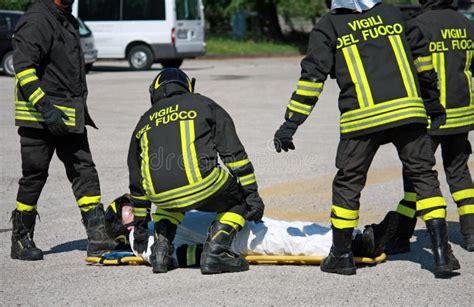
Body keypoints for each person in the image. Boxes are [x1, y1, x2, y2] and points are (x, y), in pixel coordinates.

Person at [273, 0, 459, 277]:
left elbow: (312, 78)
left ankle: (341, 255)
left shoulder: (328, 26)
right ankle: (442, 254)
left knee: (349, 181)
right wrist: (431, 100)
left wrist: (291, 123)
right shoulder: (392, 13)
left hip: (361, 118)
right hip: (408, 110)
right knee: (423, 175)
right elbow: (422, 57)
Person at [127, 68, 265, 274]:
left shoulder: (144, 120)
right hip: (204, 186)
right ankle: (216, 252)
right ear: (187, 87)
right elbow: (234, 155)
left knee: (170, 198)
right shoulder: (203, 104)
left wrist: (140, 229)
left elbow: (136, 181)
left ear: (154, 92)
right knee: (238, 201)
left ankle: (160, 252)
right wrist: (252, 195)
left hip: (160, 197)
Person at [10, 0, 116, 261]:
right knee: (35, 176)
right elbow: (24, 69)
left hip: (69, 116)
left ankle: (97, 235)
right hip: (39, 119)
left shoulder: (66, 18)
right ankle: (21, 239)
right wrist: (45, 108)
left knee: (84, 170)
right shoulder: (37, 19)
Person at [387, 0, 474, 254]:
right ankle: (470, 233)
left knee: (417, 174)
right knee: (459, 171)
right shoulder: (467, 26)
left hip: (429, 115)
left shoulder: (417, 26)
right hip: (462, 113)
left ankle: (403, 234)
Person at [104, 194, 400, 265]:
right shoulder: (138, 240)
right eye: (127, 208)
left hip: (229, 223)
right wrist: (211, 252)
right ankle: (356, 246)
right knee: (285, 241)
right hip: (229, 239)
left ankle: (360, 233)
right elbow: (169, 257)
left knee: (292, 228)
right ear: (122, 224)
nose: (134, 206)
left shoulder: (156, 221)